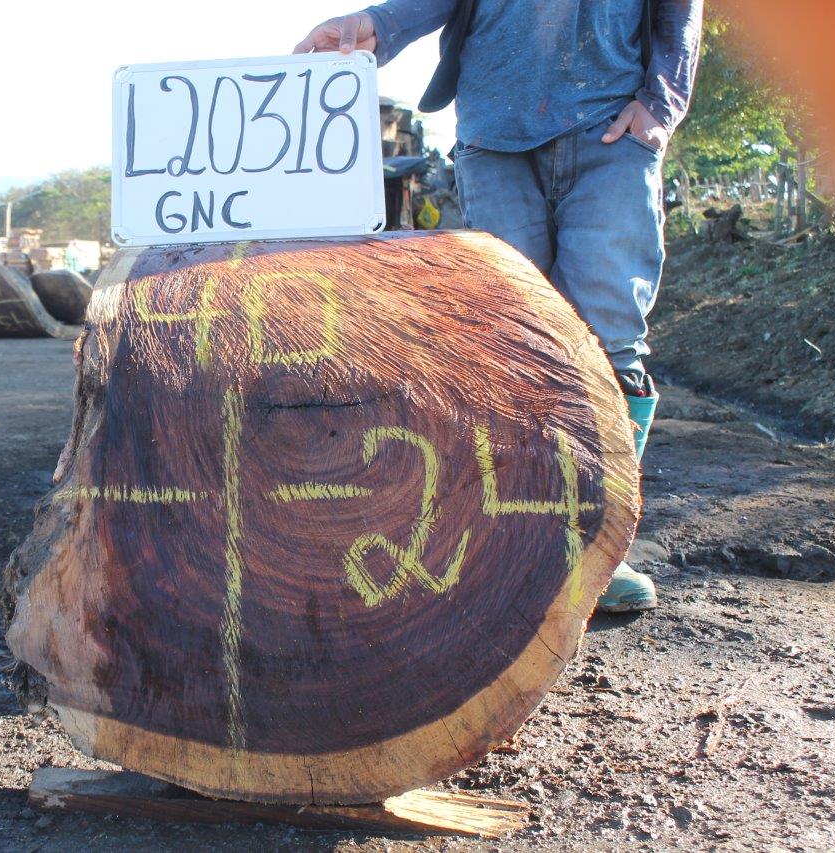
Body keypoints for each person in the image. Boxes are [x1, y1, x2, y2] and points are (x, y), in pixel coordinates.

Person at [295, 0, 704, 612]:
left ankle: (600, 547)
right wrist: (378, 24)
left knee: (608, 335)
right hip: (494, 136)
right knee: (514, 341)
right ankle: (524, 543)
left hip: (611, 128)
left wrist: (661, 102)